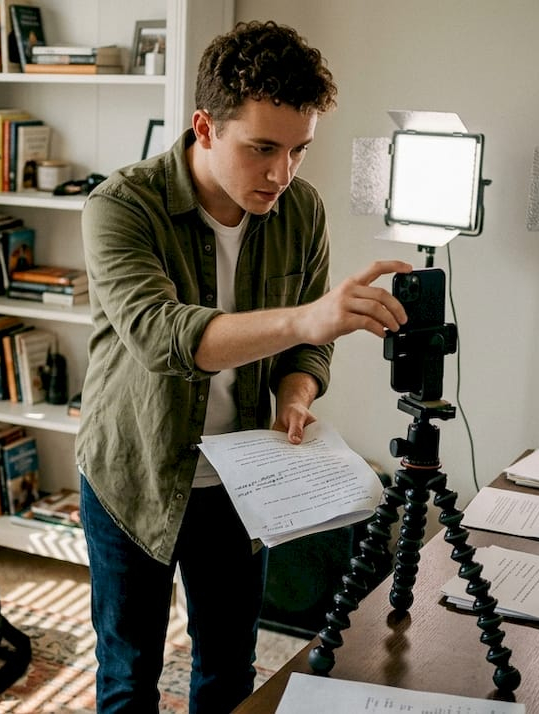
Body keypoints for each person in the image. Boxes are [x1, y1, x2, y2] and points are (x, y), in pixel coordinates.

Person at [75, 20, 413, 713]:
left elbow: (304, 347)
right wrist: (311, 317)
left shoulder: (301, 210)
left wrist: (297, 387)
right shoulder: (120, 205)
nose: (281, 174)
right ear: (205, 126)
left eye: (298, 151)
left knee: (229, 667)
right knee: (127, 672)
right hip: (132, 471)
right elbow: (162, 338)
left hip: (243, 478)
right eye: (262, 148)